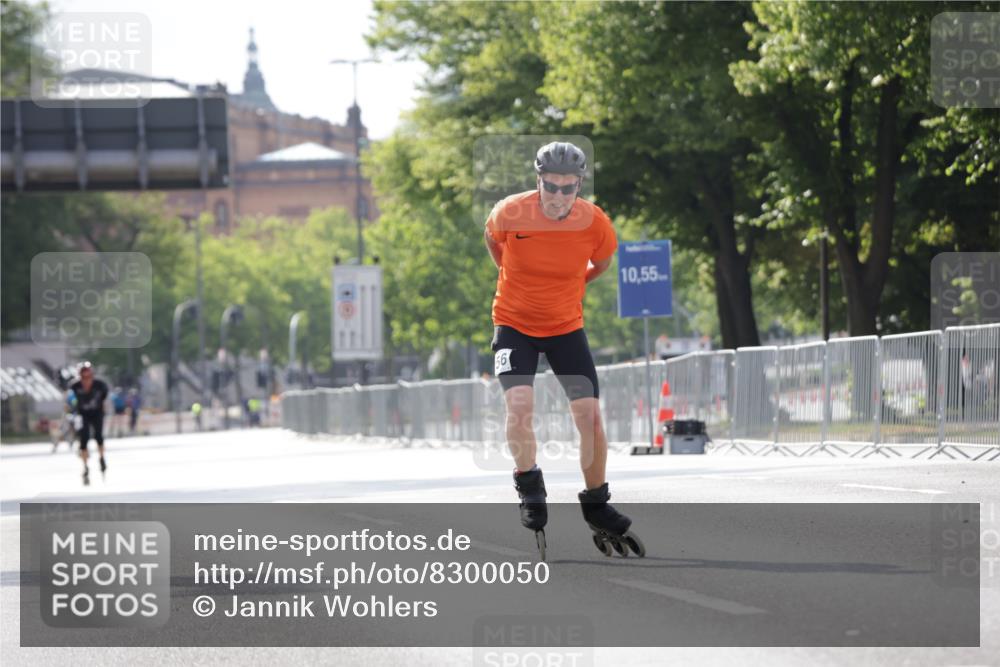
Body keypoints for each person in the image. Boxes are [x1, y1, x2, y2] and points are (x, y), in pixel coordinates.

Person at [482, 140, 643, 559]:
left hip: (566, 326)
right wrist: (514, 277)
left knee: (589, 418)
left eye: (567, 188)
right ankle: (528, 483)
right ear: (538, 181)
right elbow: (493, 242)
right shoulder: (509, 212)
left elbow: (603, 262)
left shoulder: (595, 222)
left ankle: (596, 502)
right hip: (514, 323)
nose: (557, 196)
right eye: (549, 187)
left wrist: (573, 286)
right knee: (518, 406)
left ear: (579, 185)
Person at [69, 362, 110, 485]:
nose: (86, 380)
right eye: (84, 378)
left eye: (89, 377)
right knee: (84, 439)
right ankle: (85, 466)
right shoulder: (75, 387)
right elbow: (70, 401)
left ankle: (102, 458)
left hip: (97, 413)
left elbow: (105, 398)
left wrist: (104, 408)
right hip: (83, 414)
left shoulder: (100, 385)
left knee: (99, 436)